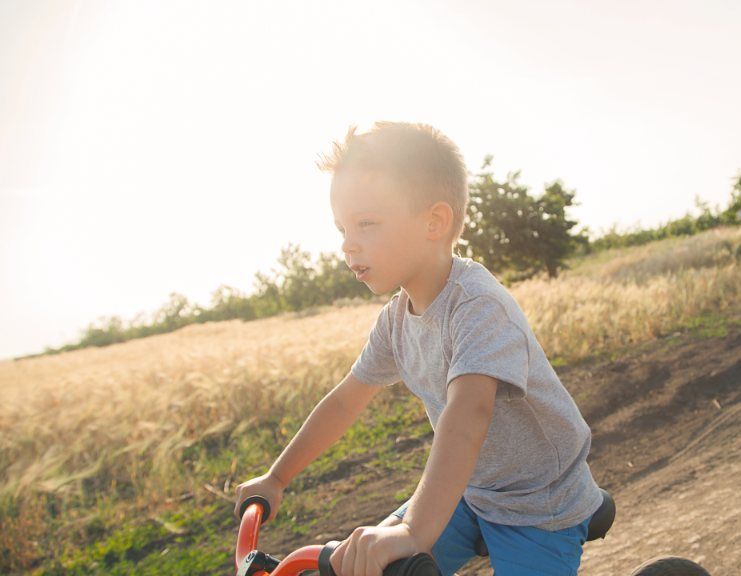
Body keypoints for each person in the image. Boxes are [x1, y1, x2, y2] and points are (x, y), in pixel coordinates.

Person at [235, 122, 603, 575]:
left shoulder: (477, 307)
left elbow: (468, 416)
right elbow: (346, 400)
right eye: (342, 228)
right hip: (471, 492)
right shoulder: (396, 320)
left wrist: (413, 533)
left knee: (401, 548)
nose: (348, 243)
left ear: (435, 221)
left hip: (540, 503)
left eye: (366, 223)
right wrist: (277, 478)